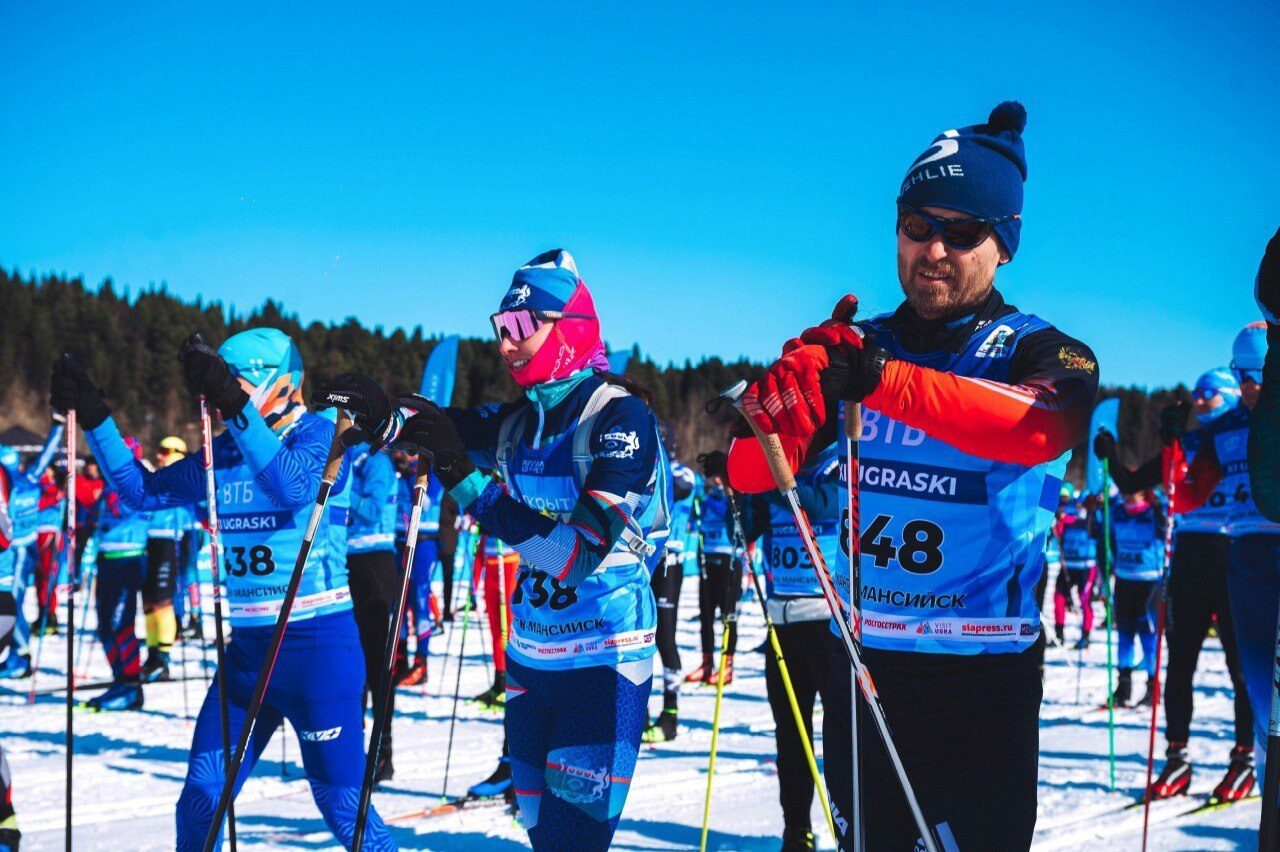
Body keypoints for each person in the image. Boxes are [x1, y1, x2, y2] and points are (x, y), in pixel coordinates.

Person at [729, 101, 1099, 848]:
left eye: (962, 233)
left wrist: (880, 381)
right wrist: (782, 410)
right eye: (917, 225)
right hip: (867, 668)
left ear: (1005, 246)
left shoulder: (1039, 350)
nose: (933, 249)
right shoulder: (858, 347)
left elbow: (1040, 426)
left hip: (981, 679)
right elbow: (748, 474)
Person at [359, 249, 670, 849]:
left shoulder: (621, 418)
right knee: (540, 837)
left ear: (571, 328)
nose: (506, 344)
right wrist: (381, 414)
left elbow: (575, 557)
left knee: (572, 844)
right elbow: (435, 425)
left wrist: (467, 484)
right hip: (530, 662)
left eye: (523, 325)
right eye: (500, 327)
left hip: (602, 662)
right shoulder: (517, 422)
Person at [49, 328, 396, 850]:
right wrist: (96, 416)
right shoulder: (225, 453)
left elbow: (292, 486)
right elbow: (140, 492)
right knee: (200, 802)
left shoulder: (323, 433)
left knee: (343, 809)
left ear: (275, 384)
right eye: (217, 388)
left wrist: (233, 405)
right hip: (247, 659)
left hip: (317, 651)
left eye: (233, 385)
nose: (218, 400)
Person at [1097, 324, 1275, 792]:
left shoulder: (1252, 424)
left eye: (1207, 393)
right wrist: (1158, 445)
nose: (1198, 401)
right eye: (1195, 394)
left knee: (1243, 666)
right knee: (1179, 664)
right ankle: (1178, 756)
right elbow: (1176, 490)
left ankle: (1246, 757)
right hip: (1196, 557)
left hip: (1237, 551)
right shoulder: (1208, 437)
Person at [740, 433, 839, 852]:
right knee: (791, 736)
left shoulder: (839, 461)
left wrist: (771, 479)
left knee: (841, 736)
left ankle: (850, 825)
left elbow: (817, 505)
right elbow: (749, 525)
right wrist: (743, 486)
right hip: (782, 627)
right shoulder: (779, 471)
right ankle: (796, 829)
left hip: (830, 627)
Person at [346, 437, 401, 783]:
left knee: (376, 663)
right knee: (349, 662)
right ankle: (352, 748)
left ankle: (382, 750)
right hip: (346, 563)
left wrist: (338, 489)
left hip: (375, 564)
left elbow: (371, 510)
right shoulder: (345, 456)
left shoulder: (375, 460)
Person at [83, 436, 151, 711]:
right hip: (106, 561)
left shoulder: (137, 482)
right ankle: (120, 681)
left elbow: (121, 508)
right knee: (104, 627)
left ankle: (132, 687)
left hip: (128, 560)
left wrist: (110, 494)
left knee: (120, 624)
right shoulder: (110, 484)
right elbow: (96, 516)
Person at [0, 426, 64, 679]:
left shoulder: (8, 487)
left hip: (15, 554)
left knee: (11, 604)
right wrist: (58, 427)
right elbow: (46, 455)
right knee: (11, 604)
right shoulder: (30, 478)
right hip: (22, 550)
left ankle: (21, 657)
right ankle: (18, 655)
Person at [644, 455, 699, 744]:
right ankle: (638, 714)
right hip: (643, 558)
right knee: (638, 638)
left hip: (669, 561)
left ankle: (670, 714)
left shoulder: (680, 472)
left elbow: (682, 487)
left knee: (665, 638)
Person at [1103, 488, 1165, 708]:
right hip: (1124, 581)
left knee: (1148, 637)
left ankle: (1153, 688)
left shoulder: (1155, 512)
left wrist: (1159, 505)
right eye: (1127, 491)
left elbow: (1168, 528)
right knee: (1124, 636)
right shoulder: (1117, 512)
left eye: (1134, 491)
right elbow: (1103, 534)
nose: (1129, 495)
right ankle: (1123, 687)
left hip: (1149, 583)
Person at [142, 437, 196, 683]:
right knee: (149, 603)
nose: (159, 455)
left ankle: (163, 659)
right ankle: (152, 654)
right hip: (148, 542)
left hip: (169, 542)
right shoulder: (158, 477)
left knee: (163, 602)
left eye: (164, 451)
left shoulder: (183, 478)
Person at [684, 450, 739, 686]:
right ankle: (707, 663)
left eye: (719, 476)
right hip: (708, 560)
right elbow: (694, 523)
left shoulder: (732, 495)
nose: (716, 480)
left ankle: (727, 666)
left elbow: (730, 515)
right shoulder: (706, 498)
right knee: (706, 615)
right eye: (712, 476)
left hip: (728, 561)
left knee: (728, 615)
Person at [473, 525, 519, 709]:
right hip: (491, 561)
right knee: (495, 627)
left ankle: (513, 682)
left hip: (509, 561)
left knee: (508, 626)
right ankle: (499, 680)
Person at [1053, 491, 1099, 650]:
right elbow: (1059, 532)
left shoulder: (1094, 515)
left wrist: (1066, 518)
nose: (1080, 505)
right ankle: (1059, 634)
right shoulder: (1070, 511)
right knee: (1058, 598)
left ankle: (1085, 637)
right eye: (1079, 502)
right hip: (1068, 565)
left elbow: (1094, 527)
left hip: (1086, 566)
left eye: (1084, 503)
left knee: (1085, 600)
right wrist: (1059, 520)